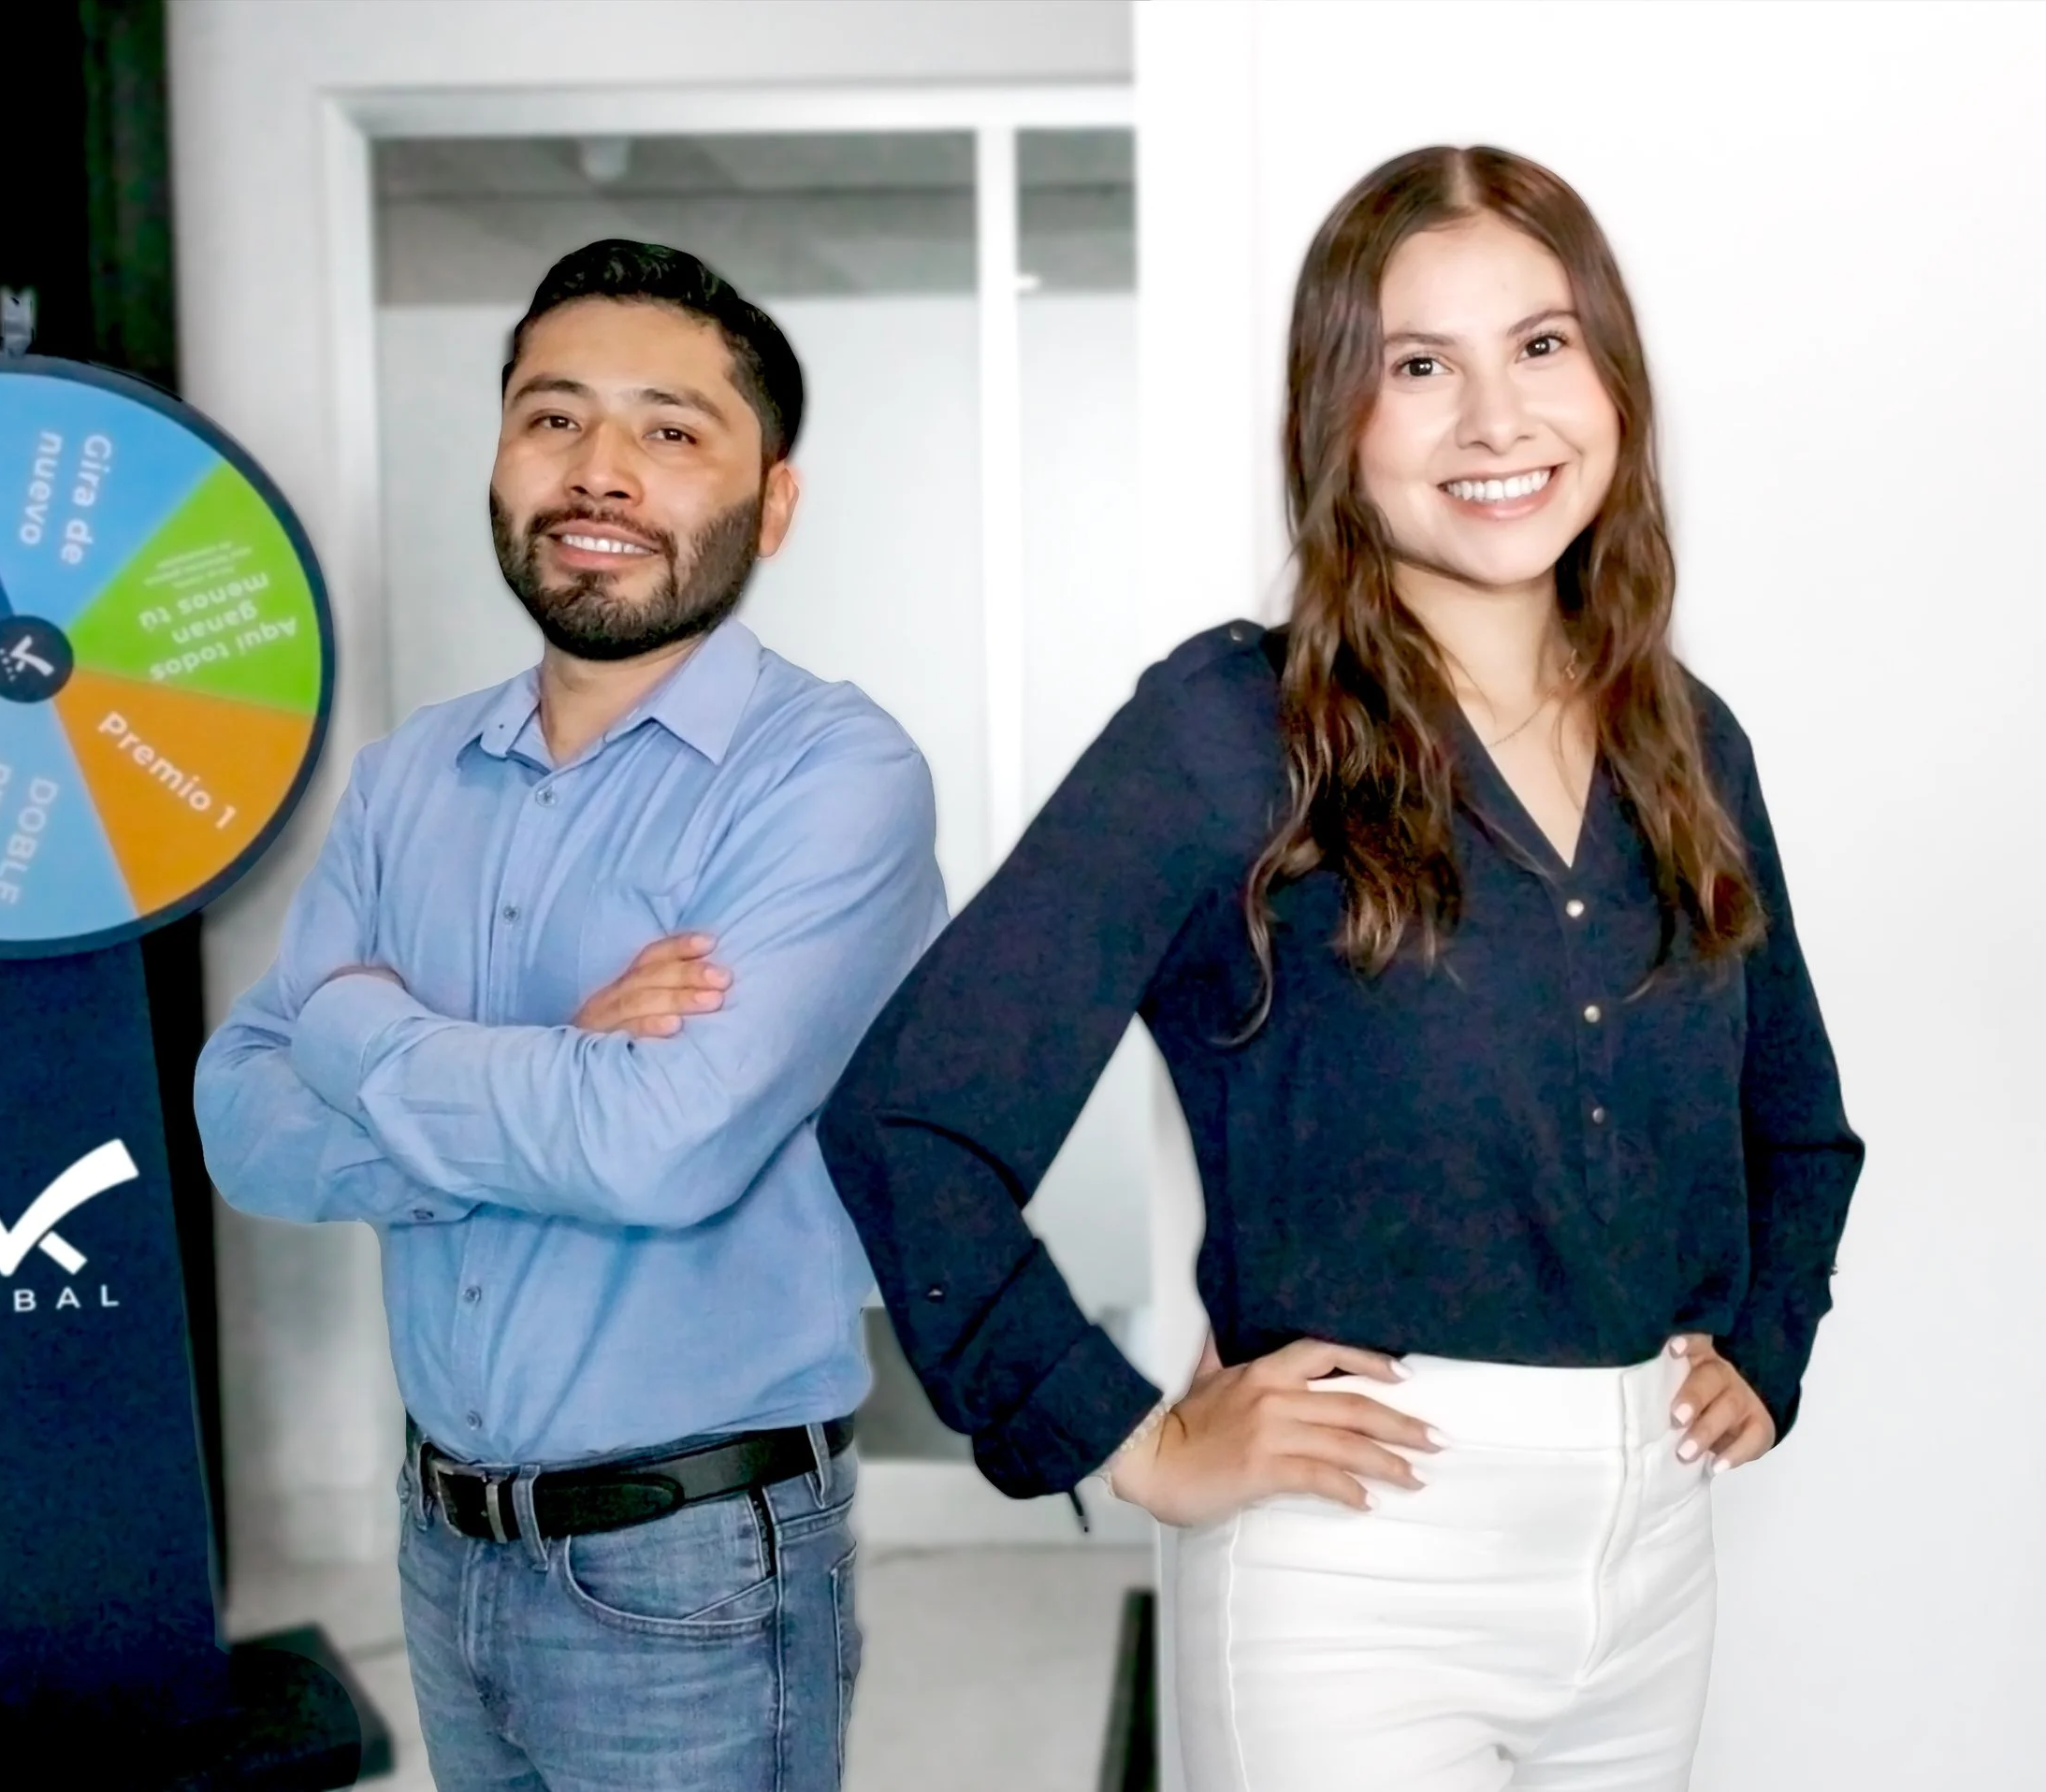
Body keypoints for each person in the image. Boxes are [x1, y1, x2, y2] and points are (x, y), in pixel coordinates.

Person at [817, 146, 1864, 1791]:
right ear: (1336, 422)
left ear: (1613, 382)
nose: (1495, 422)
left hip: (1653, 1556)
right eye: (1417, 366)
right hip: (1356, 1571)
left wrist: (1773, 1343)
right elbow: (911, 1118)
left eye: (1541, 346)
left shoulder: (1689, 740)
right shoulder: (1225, 732)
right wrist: (1129, 1438)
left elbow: (1798, 1127)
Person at [195, 239, 945, 1792]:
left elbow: (660, 1152)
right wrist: (553, 1075)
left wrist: (362, 1034)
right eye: (553, 419)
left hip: (693, 1567)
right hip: (444, 1539)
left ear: (773, 500)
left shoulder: (834, 776)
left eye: (671, 431)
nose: (599, 472)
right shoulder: (410, 776)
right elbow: (240, 1124)